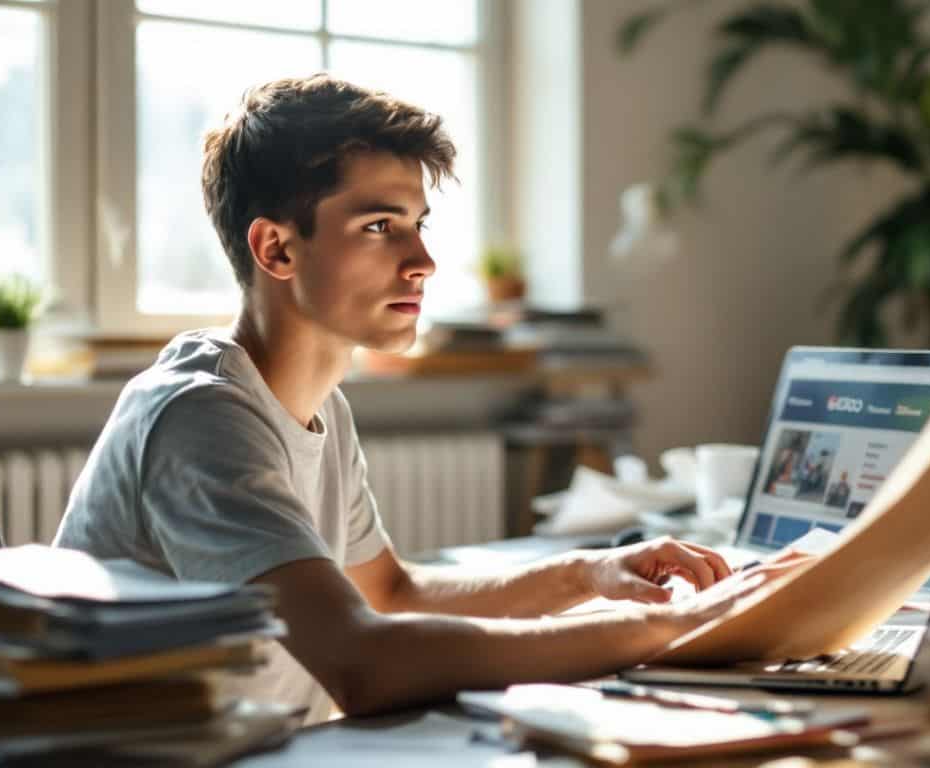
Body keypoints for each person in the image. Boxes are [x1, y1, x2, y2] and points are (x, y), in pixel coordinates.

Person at [53, 74, 799, 721]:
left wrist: (591, 575)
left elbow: (390, 592)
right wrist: (683, 629)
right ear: (276, 248)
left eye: (418, 224)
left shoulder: (320, 405)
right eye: (380, 226)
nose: (424, 262)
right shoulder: (201, 414)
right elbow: (365, 663)